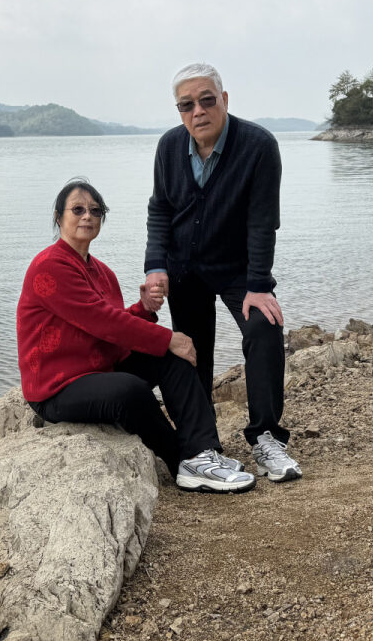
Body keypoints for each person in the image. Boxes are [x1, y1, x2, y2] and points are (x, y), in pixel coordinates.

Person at [17, 178, 255, 493]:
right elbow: (102, 321)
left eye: (95, 211)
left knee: (173, 357)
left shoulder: (102, 272)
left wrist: (143, 309)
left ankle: (202, 452)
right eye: (78, 209)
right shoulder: (50, 266)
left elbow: (111, 326)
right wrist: (166, 336)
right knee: (130, 389)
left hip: (98, 369)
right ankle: (181, 461)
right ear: (59, 217)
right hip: (56, 388)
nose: (88, 216)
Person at [144, 63, 302, 483]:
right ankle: (204, 445)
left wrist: (259, 285)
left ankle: (266, 437)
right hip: (184, 268)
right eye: (186, 105)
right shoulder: (169, 146)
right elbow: (160, 209)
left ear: (224, 100)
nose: (198, 111)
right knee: (192, 351)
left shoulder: (258, 146)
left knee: (264, 326)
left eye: (207, 100)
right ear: (180, 112)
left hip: (238, 269)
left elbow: (263, 221)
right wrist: (155, 266)